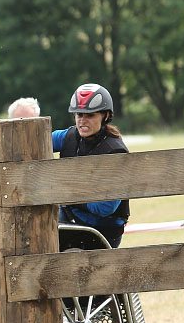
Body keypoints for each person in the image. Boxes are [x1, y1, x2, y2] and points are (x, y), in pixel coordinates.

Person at [52, 83, 129, 248]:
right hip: (70, 219)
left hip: (102, 230)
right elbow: (38, 138)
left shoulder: (115, 151)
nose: (82, 121)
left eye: (90, 115)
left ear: (106, 116)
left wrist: (68, 197)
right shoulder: (69, 136)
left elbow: (106, 207)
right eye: (79, 114)